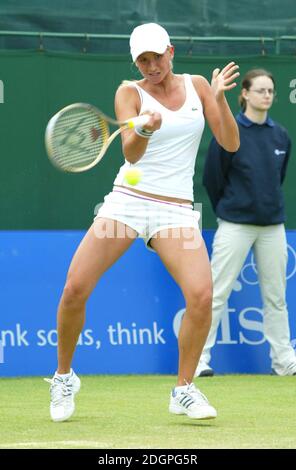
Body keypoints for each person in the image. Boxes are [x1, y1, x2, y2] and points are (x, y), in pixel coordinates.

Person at [45, 22, 240, 422]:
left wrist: (218, 100)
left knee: (202, 296)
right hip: (127, 203)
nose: (151, 65)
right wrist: (145, 129)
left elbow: (231, 143)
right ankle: (64, 376)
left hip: (175, 211)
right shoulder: (128, 92)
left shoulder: (200, 85)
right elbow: (131, 155)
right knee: (74, 289)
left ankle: (184, 388)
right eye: (143, 59)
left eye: (157, 56)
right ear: (135, 61)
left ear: (171, 51)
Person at [195, 68, 296, 378]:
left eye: (270, 91)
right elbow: (213, 178)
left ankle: (284, 362)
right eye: (260, 90)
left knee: (276, 297)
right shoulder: (229, 130)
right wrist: (231, 207)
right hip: (235, 224)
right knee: (216, 294)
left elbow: (276, 178)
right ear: (245, 94)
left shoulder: (281, 136)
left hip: (272, 226)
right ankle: (198, 360)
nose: (266, 95)